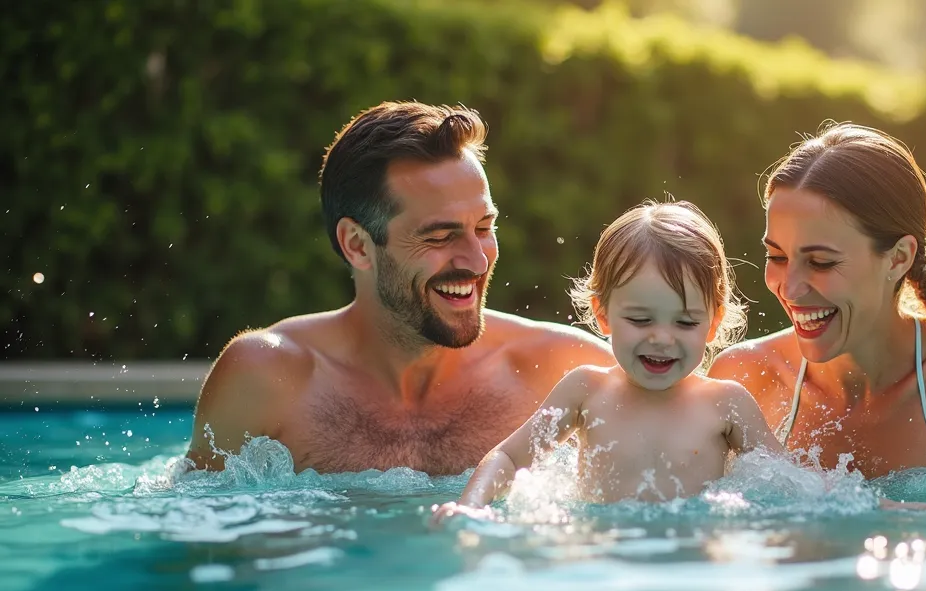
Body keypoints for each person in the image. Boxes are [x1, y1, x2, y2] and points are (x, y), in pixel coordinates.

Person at [184, 102, 613, 475]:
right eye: (440, 237)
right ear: (358, 245)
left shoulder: (563, 372)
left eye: (484, 228)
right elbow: (198, 547)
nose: (477, 260)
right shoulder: (267, 380)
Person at [708, 122, 926, 486]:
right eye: (777, 256)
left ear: (897, 259)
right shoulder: (743, 379)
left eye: (821, 262)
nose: (792, 288)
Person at [433, 201, 784, 516]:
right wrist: (472, 506)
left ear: (713, 323)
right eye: (640, 320)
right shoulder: (586, 390)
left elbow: (793, 488)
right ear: (602, 314)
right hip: (606, 568)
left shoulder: (727, 405)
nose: (662, 338)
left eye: (686, 322)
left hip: (689, 572)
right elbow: (508, 457)